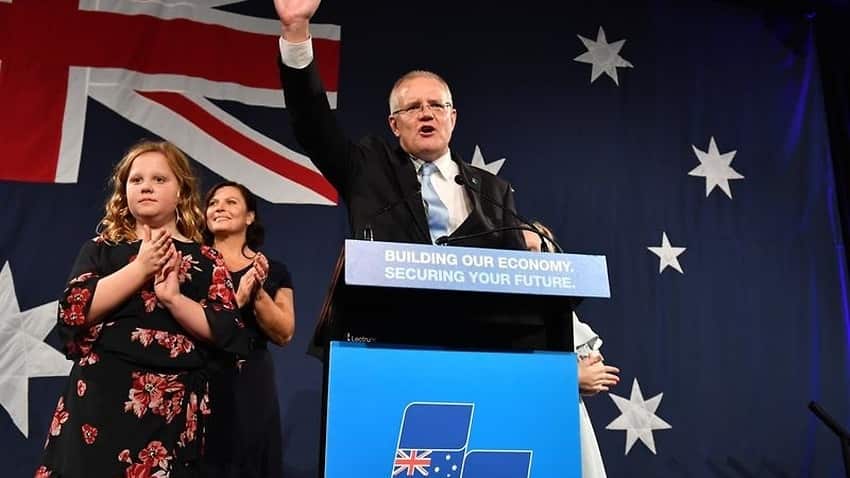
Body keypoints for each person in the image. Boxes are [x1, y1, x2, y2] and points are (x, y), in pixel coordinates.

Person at [35, 140, 252, 478]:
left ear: (181, 190)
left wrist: (175, 301)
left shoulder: (207, 260)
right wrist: (141, 268)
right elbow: (74, 311)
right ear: (125, 192)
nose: (146, 187)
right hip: (98, 403)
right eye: (136, 180)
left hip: (171, 415)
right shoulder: (102, 250)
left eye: (159, 179)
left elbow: (228, 335)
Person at [200, 181, 295, 477]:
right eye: (214, 203)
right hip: (200, 370)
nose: (220, 208)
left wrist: (257, 292)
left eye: (231, 202)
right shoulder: (191, 263)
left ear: (250, 216)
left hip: (251, 374)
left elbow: (285, 332)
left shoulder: (272, 270)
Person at [523, 222, 619, 478]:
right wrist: (569, 376)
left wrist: (580, 374)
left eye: (544, 251)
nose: (537, 259)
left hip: (562, 418)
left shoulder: (560, 311)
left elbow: (594, 368)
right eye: (527, 250)